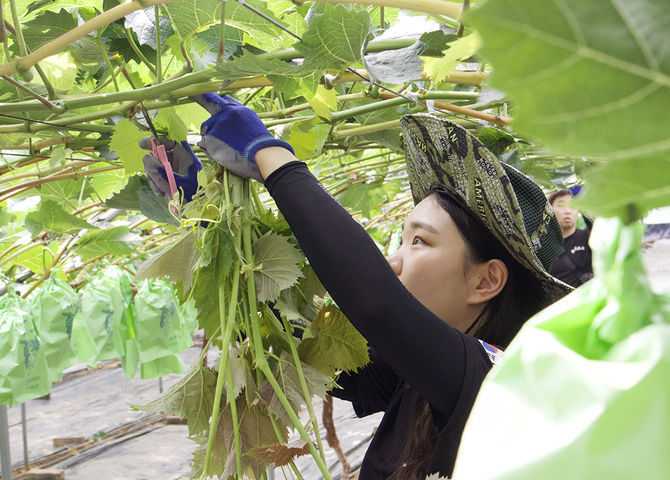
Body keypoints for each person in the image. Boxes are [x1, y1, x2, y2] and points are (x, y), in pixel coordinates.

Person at [141, 94, 572, 479]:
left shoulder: (498, 380)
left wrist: (272, 157)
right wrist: (201, 214)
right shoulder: (409, 378)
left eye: (418, 241)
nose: (394, 260)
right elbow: (287, 339)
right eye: (400, 240)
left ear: (486, 280)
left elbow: (375, 302)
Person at [548, 189, 594, 288]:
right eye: (561, 205)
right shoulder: (543, 247)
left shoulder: (589, 237)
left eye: (573, 206)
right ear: (550, 210)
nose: (567, 211)